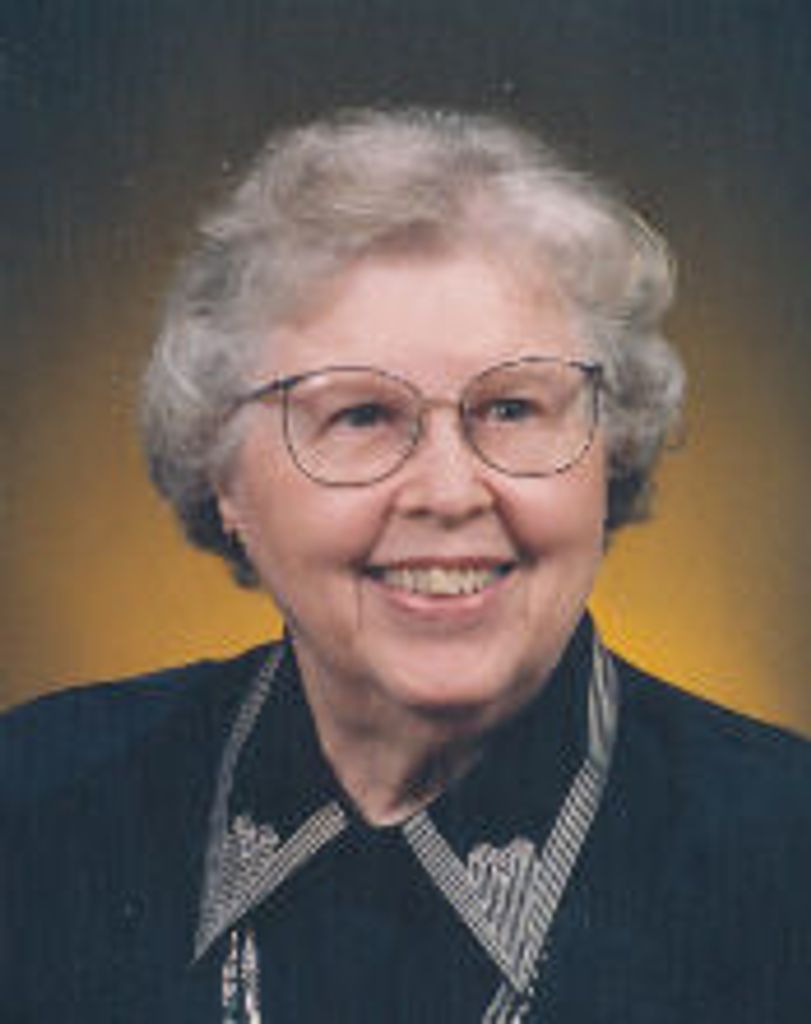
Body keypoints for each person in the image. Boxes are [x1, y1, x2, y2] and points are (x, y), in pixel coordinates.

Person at [1, 107, 809, 1024]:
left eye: (512, 408)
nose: (448, 493)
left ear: (609, 451)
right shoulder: (35, 805)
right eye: (360, 415)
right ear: (223, 475)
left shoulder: (785, 857)